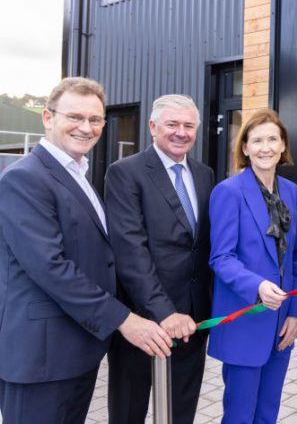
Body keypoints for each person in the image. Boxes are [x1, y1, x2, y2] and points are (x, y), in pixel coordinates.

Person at [0, 78, 172, 424]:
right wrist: (125, 320)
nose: (86, 127)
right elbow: (52, 268)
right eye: (74, 117)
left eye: (95, 120)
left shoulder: (79, 174)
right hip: (40, 358)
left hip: (76, 349)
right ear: (47, 118)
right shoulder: (25, 178)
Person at [104, 94, 214, 423]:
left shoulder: (205, 173)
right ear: (152, 127)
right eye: (172, 124)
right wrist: (165, 312)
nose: (181, 132)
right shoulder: (125, 172)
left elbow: (204, 245)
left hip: (193, 320)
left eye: (188, 125)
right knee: (129, 409)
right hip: (142, 319)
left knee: (181, 408)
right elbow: (130, 250)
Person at [208, 109, 297, 423]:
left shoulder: (291, 192)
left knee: (268, 413)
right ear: (245, 148)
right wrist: (257, 286)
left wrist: (296, 312)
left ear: (282, 146)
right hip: (245, 321)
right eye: (257, 140)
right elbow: (221, 258)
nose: (265, 147)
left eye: (272, 140)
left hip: (281, 323)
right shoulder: (228, 192)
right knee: (240, 414)